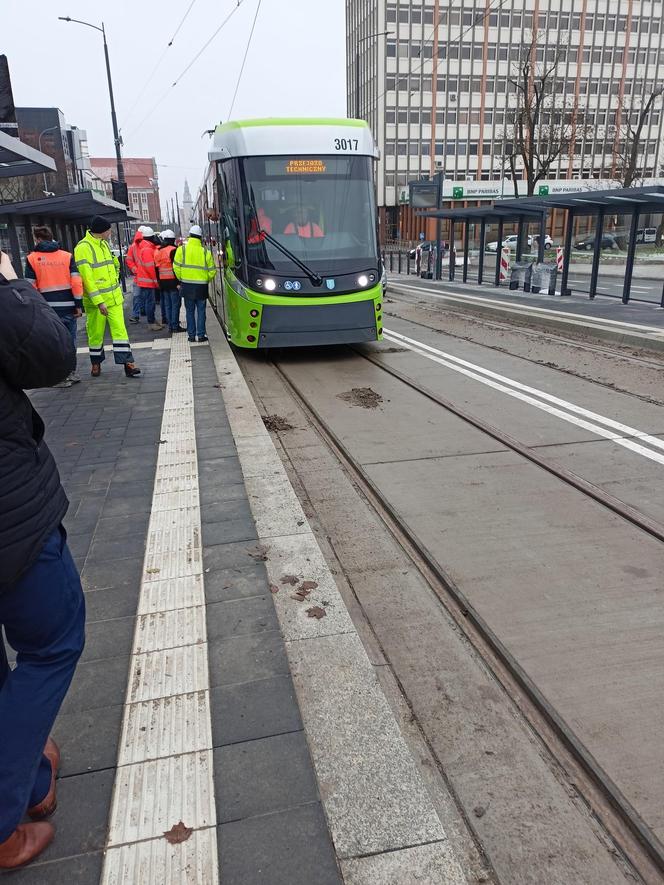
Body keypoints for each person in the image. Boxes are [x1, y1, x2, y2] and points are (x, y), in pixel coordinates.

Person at [0, 249, 84, 870]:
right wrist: (8, 285)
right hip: (9, 524)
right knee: (52, 644)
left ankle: (27, 774)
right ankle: (3, 822)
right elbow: (52, 356)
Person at [74, 216, 141, 378]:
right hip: (97, 302)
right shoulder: (83, 247)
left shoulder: (103, 244)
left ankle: (128, 363)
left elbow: (112, 265)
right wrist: (99, 302)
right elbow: (87, 278)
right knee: (95, 333)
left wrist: (116, 271)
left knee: (120, 332)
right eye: (109, 230)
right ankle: (95, 363)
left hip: (114, 298)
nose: (110, 232)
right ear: (101, 231)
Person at [25, 226, 83, 387]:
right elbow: (76, 282)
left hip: (47, 310)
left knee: (53, 342)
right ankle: (72, 372)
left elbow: (30, 287)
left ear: (37, 239)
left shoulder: (32, 258)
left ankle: (60, 377)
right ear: (52, 237)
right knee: (70, 340)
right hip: (69, 307)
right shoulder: (66, 256)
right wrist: (78, 304)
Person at [173, 224, 216, 343]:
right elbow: (212, 271)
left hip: (186, 286)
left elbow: (176, 266)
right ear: (200, 237)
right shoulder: (205, 252)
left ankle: (191, 336)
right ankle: (201, 335)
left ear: (190, 236)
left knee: (189, 311)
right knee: (201, 311)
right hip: (201, 287)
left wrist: (182, 278)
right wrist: (205, 279)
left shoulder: (182, 250)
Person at [127, 226, 162, 330]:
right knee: (148, 301)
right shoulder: (146, 248)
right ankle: (150, 322)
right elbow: (150, 267)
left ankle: (148, 319)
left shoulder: (142, 246)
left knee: (142, 298)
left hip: (142, 278)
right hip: (147, 279)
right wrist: (156, 281)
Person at [155, 229, 185, 333]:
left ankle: (170, 327)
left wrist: (159, 282)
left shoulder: (159, 251)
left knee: (168, 305)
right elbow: (175, 267)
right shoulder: (174, 250)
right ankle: (175, 326)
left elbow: (157, 268)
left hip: (163, 282)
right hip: (173, 282)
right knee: (175, 305)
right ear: (173, 239)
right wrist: (178, 283)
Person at [126, 225, 150, 318]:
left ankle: (138, 313)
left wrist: (134, 269)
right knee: (141, 296)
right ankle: (138, 313)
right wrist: (135, 269)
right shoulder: (136, 247)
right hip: (142, 275)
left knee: (138, 296)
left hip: (140, 275)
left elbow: (129, 260)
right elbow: (129, 260)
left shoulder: (134, 246)